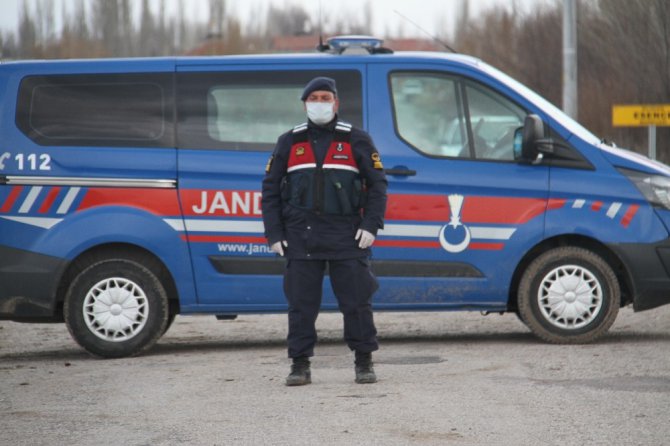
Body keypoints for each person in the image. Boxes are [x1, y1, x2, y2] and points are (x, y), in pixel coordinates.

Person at [261, 77, 388, 386]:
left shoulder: (356, 140)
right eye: (314, 98)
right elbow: (270, 191)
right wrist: (274, 234)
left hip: (346, 234)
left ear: (336, 103)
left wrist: (371, 225)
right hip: (300, 235)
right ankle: (300, 365)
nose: (320, 103)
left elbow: (378, 186)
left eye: (325, 97)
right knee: (301, 305)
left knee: (357, 302)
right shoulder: (289, 141)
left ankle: (364, 361)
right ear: (305, 104)